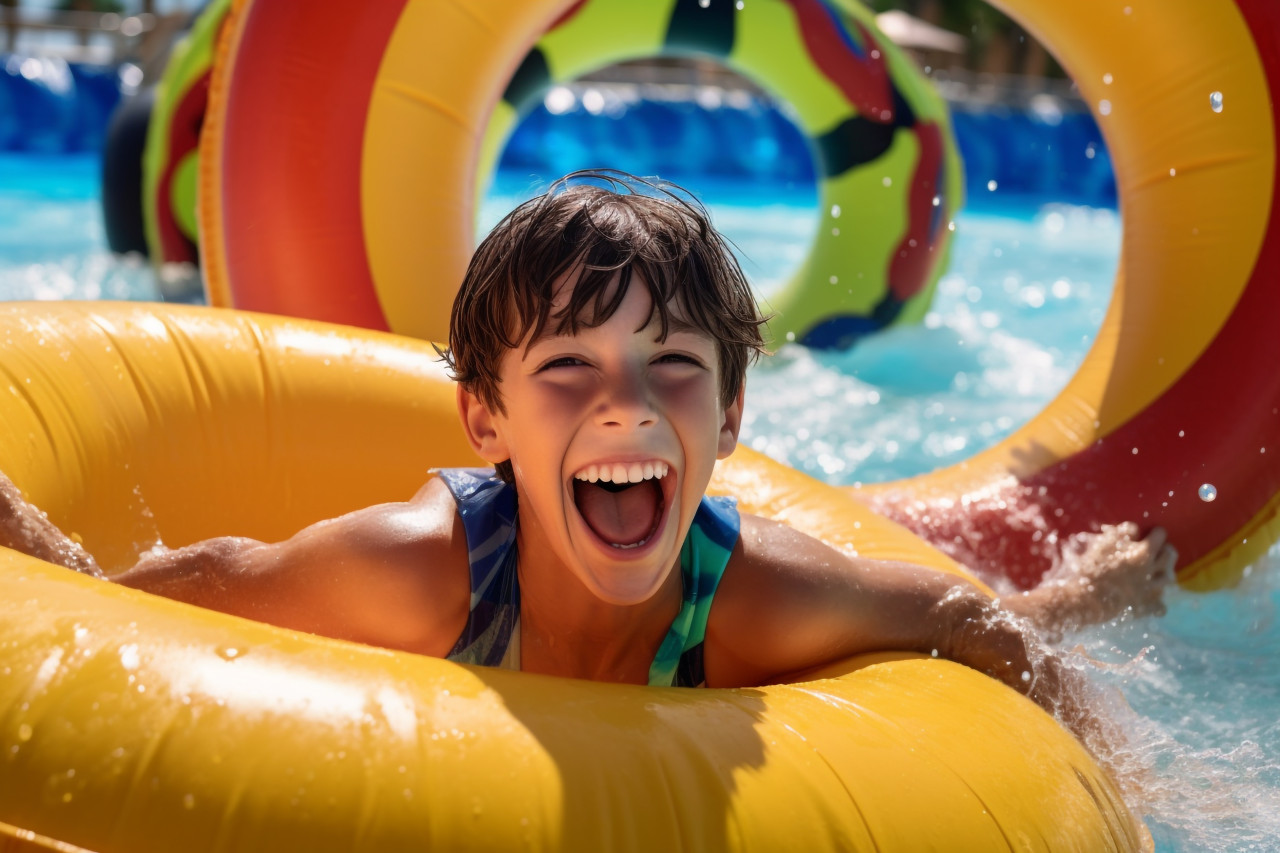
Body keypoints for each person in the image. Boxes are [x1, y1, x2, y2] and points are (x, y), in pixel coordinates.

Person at [0, 171, 1175, 730]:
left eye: (671, 366)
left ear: (730, 418)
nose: (623, 406)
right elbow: (201, 589)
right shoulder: (421, 568)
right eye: (566, 370)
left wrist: (1112, 778)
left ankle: (1094, 586)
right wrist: (50, 564)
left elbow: (974, 628)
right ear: (485, 420)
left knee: (1033, 604)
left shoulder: (754, 596)